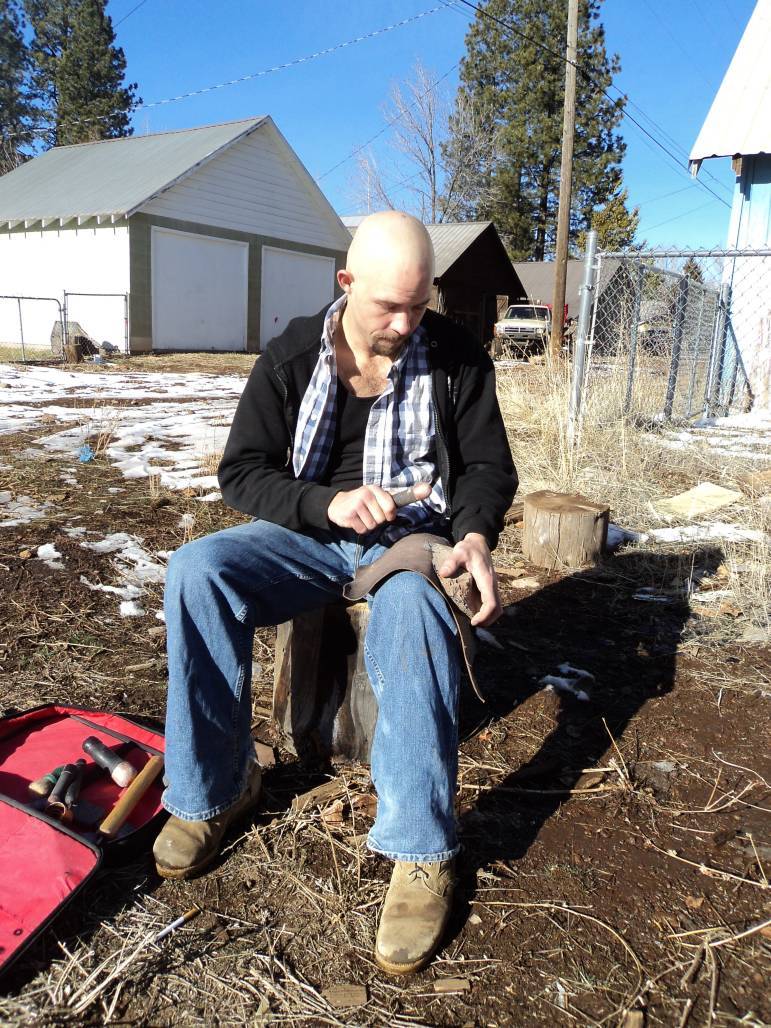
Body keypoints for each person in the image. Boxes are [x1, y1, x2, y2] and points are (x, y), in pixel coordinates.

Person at [153, 211, 517, 975]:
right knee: (197, 570)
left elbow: (487, 467)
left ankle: (421, 852)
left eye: (418, 305)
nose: (404, 323)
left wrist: (475, 534)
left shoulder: (455, 357)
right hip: (308, 533)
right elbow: (242, 472)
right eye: (388, 306)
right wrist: (325, 504)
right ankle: (212, 792)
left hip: (409, 538)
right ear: (345, 282)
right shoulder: (291, 355)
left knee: (413, 610)